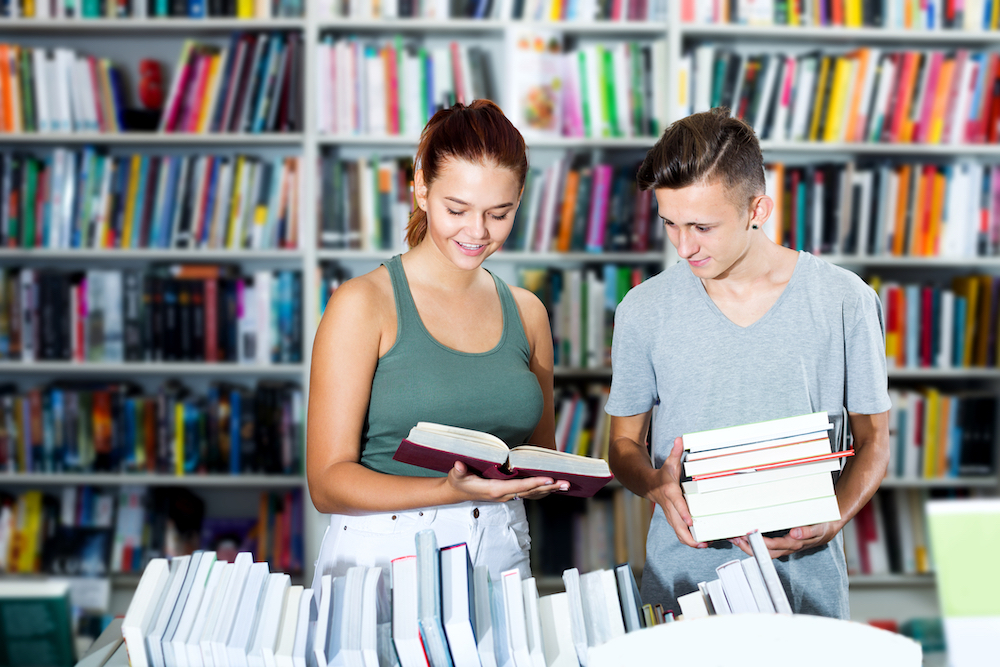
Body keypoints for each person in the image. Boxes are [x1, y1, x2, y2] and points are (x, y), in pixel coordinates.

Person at [606, 108, 891, 618]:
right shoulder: (642, 310)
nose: (683, 246)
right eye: (670, 223)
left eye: (703, 226)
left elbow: (874, 442)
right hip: (682, 591)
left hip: (807, 593)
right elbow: (623, 444)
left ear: (757, 208)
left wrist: (834, 519)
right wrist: (654, 484)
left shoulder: (845, 300)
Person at [306, 100, 567, 591]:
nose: (478, 232)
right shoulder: (363, 304)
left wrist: (544, 477)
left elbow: (538, 452)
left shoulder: (528, 312)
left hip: (499, 550)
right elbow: (326, 483)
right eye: (457, 209)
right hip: (384, 560)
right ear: (421, 187)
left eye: (499, 213)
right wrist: (447, 489)